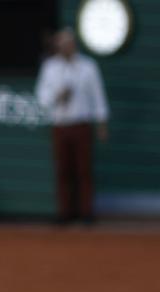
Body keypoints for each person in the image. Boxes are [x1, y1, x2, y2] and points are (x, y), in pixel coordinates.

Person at [35, 28, 109, 224]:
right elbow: (42, 97)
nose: (64, 47)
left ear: (74, 45)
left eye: (68, 43)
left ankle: (86, 212)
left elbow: (98, 95)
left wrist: (101, 122)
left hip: (81, 124)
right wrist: (56, 97)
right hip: (60, 124)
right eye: (61, 44)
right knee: (63, 170)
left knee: (84, 170)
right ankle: (65, 212)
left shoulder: (88, 67)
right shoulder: (50, 67)